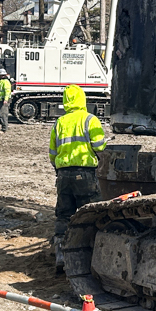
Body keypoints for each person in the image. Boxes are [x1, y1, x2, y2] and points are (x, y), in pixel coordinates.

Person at [48, 84, 107, 273]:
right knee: (90, 213)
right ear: (82, 98)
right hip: (85, 173)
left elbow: (52, 153)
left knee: (64, 214)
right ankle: (89, 255)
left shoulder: (60, 123)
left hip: (63, 174)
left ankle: (61, 255)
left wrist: (61, 167)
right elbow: (99, 146)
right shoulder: (90, 120)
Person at [0, 68, 13, 132]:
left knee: (3, 115)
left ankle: (4, 129)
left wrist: (5, 99)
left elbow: (7, 91)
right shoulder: (0, 82)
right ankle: (4, 126)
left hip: (3, 101)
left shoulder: (5, 82)